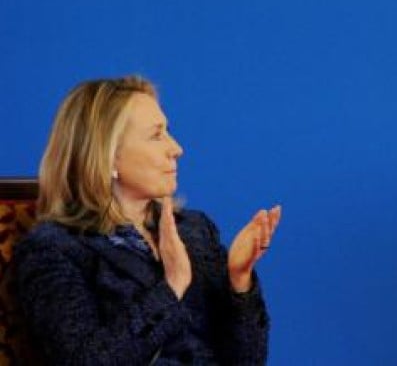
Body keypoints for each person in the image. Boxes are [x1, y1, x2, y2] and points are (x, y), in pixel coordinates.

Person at [14, 75, 282, 365]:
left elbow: (246, 361)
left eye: (168, 132)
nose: (177, 148)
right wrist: (172, 287)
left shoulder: (195, 230)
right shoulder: (53, 250)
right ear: (108, 156)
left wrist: (239, 280)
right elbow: (87, 360)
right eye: (157, 135)